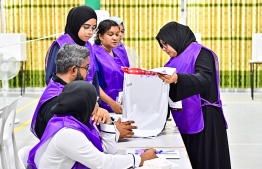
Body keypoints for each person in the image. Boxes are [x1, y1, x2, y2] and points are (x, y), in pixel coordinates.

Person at [28, 81, 157, 169]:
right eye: (95, 101)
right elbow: (102, 163)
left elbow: (109, 151)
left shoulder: (76, 120)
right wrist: (140, 159)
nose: (98, 105)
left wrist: (106, 121)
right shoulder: (67, 132)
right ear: (85, 104)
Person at [155, 21, 231, 169]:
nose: (164, 49)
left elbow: (204, 79)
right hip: (186, 118)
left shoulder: (201, 53)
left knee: (207, 161)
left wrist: (178, 78)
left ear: (175, 38)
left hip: (206, 118)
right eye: (162, 45)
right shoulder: (171, 61)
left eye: (166, 44)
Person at [31, 43, 136, 140]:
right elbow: (74, 140)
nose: (89, 72)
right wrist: (113, 133)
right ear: (73, 70)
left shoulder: (61, 87)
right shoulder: (58, 102)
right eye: (86, 67)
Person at [45, 5, 122, 114]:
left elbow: (93, 76)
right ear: (76, 24)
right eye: (86, 27)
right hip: (68, 104)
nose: (90, 32)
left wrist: (95, 100)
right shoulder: (61, 45)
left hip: (89, 103)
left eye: (93, 28)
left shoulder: (87, 45)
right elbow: (51, 79)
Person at [93, 20, 130, 113]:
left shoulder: (119, 52)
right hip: (103, 106)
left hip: (121, 103)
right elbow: (94, 84)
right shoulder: (94, 54)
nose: (115, 38)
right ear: (100, 36)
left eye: (117, 34)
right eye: (110, 34)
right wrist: (111, 103)